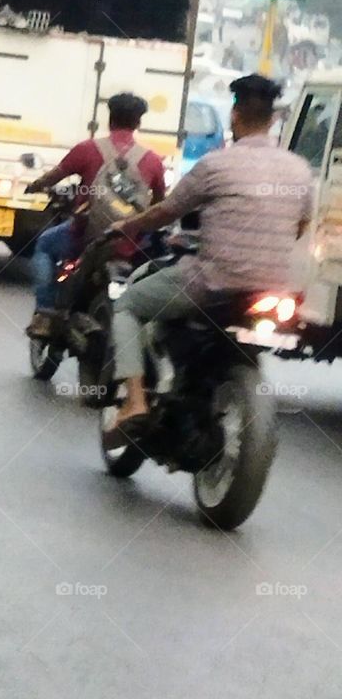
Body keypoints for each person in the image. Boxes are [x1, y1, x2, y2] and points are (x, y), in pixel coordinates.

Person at [103, 74, 313, 446]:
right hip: (275, 289)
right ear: (274, 119)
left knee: (128, 306)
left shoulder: (216, 165)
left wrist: (125, 226)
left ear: (234, 116)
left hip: (213, 282)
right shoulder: (299, 170)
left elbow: (166, 212)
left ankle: (134, 402)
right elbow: (300, 225)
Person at [25, 93, 166, 337]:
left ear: (110, 119)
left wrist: (35, 186)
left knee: (45, 244)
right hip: (129, 244)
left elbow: (54, 176)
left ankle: (45, 314)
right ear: (138, 123)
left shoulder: (87, 149)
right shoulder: (152, 160)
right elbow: (161, 202)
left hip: (85, 236)